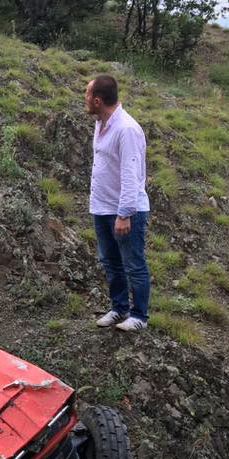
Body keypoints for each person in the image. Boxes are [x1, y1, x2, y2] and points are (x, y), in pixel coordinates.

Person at [85, 74, 150, 332]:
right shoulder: (101, 123)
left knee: (133, 263)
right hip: (102, 207)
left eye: (87, 94)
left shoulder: (127, 129)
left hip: (124, 211)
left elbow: (130, 175)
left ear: (98, 100)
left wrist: (124, 214)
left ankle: (139, 316)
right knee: (110, 261)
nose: (85, 99)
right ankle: (119, 308)